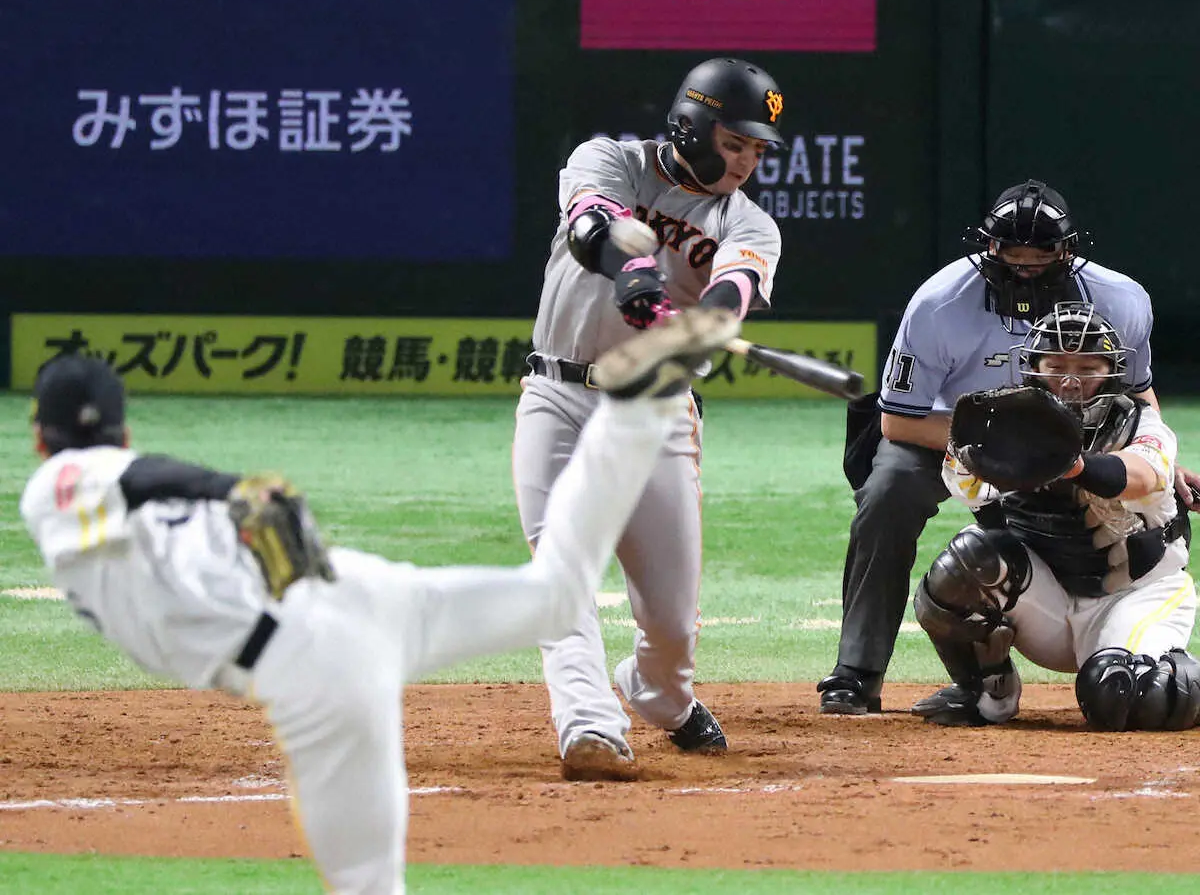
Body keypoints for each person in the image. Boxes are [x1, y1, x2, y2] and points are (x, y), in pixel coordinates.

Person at [20, 306, 741, 895]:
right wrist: (224, 490)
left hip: (316, 666)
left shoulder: (62, 489)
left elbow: (123, 476)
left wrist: (221, 492)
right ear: (124, 426)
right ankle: (641, 403)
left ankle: (641, 400)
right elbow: (143, 477)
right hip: (357, 601)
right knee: (552, 596)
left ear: (37, 438)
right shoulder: (127, 491)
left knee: (368, 882)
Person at [513, 56, 785, 779]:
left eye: (757, 151)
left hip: (655, 415)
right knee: (559, 574)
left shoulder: (749, 221)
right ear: (691, 125)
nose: (745, 163)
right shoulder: (608, 159)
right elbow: (592, 226)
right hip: (559, 394)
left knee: (669, 625)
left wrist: (702, 324)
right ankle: (588, 724)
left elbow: (732, 288)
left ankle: (657, 696)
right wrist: (632, 272)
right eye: (735, 144)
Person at [821, 179, 1169, 715]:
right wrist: (1002, 447)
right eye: (1011, 254)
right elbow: (897, 423)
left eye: (1040, 255)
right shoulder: (940, 304)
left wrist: (1162, 461)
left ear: (1068, 251)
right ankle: (856, 673)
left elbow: (1137, 396)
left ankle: (1113, 642)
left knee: (1131, 523)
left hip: (1073, 444)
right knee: (886, 493)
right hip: (945, 435)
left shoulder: (1120, 300)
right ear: (988, 247)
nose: (1024, 266)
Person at [910, 302, 1198, 731]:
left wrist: (1070, 464)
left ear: (1112, 372)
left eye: (1087, 367)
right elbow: (971, 492)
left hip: (1136, 595)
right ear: (1032, 368)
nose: (1070, 380)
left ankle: (1171, 673)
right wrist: (981, 453)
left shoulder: (1142, 423)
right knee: (968, 558)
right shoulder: (997, 425)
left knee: (1132, 699)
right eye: (1056, 365)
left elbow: (1140, 475)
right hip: (1046, 603)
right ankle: (989, 691)